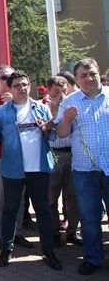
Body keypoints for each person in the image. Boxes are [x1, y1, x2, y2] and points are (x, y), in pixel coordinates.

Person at [0, 70, 61, 270]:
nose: (21, 88)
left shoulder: (41, 108)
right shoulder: (2, 111)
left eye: (24, 84)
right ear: (10, 89)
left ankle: (48, 251)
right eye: (17, 86)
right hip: (13, 169)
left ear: (29, 86)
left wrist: (49, 129)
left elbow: (52, 137)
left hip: (39, 168)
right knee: (10, 209)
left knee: (42, 211)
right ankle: (6, 249)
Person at [55, 58, 109, 275]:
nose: (88, 78)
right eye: (83, 76)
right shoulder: (70, 102)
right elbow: (60, 134)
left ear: (98, 73)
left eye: (92, 74)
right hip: (85, 170)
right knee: (89, 216)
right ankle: (93, 258)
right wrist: (66, 121)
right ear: (76, 79)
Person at [0, 66, 32, 251]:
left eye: (12, 77)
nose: (8, 80)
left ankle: (16, 232)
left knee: (19, 196)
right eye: (4, 77)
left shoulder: (24, 101)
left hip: (21, 155)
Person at [44, 75, 82, 247]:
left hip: (72, 154)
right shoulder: (43, 106)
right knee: (51, 197)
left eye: (64, 90)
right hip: (53, 154)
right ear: (48, 90)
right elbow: (43, 130)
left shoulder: (71, 105)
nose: (61, 94)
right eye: (56, 91)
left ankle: (72, 231)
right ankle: (54, 232)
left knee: (72, 195)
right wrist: (53, 116)